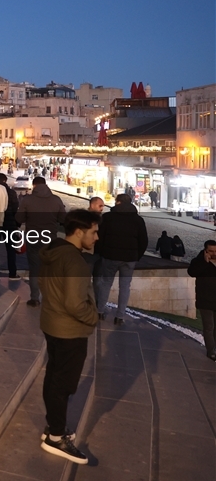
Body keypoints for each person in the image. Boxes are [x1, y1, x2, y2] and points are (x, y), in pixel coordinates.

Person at [38, 209, 99, 465]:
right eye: (94, 232)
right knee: (63, 384)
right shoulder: (75, 261)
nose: (97, 237)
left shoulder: (54, 252)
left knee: (54, 376)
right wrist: (93, 317)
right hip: (69, 329)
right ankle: (55, 437)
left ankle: (54, 425)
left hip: (52, 323)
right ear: (78, 231)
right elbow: (75, 304)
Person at [95, 193, 148, 325]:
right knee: (125, 287)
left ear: (118, 202)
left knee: (106, 283)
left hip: (110, 256)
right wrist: (137, 256)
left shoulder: (107, 217)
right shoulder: (138, 220)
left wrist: (102, 252)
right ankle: (119, 316)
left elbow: (99, 237)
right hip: (129, 259)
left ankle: (100, 312)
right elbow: (144, 241)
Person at [16, 177, 66, 307]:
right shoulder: (56, 200)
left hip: (33, 238)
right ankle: (50, 298)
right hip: (50, 239)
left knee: (35, 268)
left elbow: (19, 218)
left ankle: (34, 298)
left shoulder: (28, 200)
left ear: (34, 186)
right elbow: (63, 219)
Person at [187, 240, 216, 362]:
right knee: (209, 326)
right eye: (211, 251)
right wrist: (205, 262)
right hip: (205, 300)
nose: (214, 254)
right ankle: (211, 351)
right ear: (205, 250)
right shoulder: (198, 262)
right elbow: (192, 272)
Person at [0, 173, 20, 280]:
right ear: (5, 181)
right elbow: (15, 207)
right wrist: (16, 223)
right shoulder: (11, 192)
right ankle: (12, 273)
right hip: (9, 224)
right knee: (11, 249)